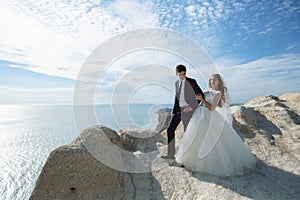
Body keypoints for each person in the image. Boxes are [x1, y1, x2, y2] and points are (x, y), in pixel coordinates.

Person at [175, 74, 256, 176]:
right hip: (199, 113)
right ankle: (189, 159)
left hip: (210, 115)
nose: (212, 81)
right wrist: (191, 107)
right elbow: (198, 102)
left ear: (219, 82)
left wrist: (202, 100)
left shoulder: (218, 93)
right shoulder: (205, 90)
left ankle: (207, 162)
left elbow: (212, 107)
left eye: (214, 79)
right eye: (211, 79)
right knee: (196, 136)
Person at [161, 64, 204, 159]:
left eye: (184, 74)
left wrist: (192, 107)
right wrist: (173, 111)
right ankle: (170, 154)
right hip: (177, 111)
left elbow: (201, 96)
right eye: (180, 74)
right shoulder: (176, 83)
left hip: (187, 111)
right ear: (176, 73)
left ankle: (187, 158)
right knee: (169, 130)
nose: (182, 76)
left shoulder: (192, 82)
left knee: (187, 134)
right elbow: (176, 98)